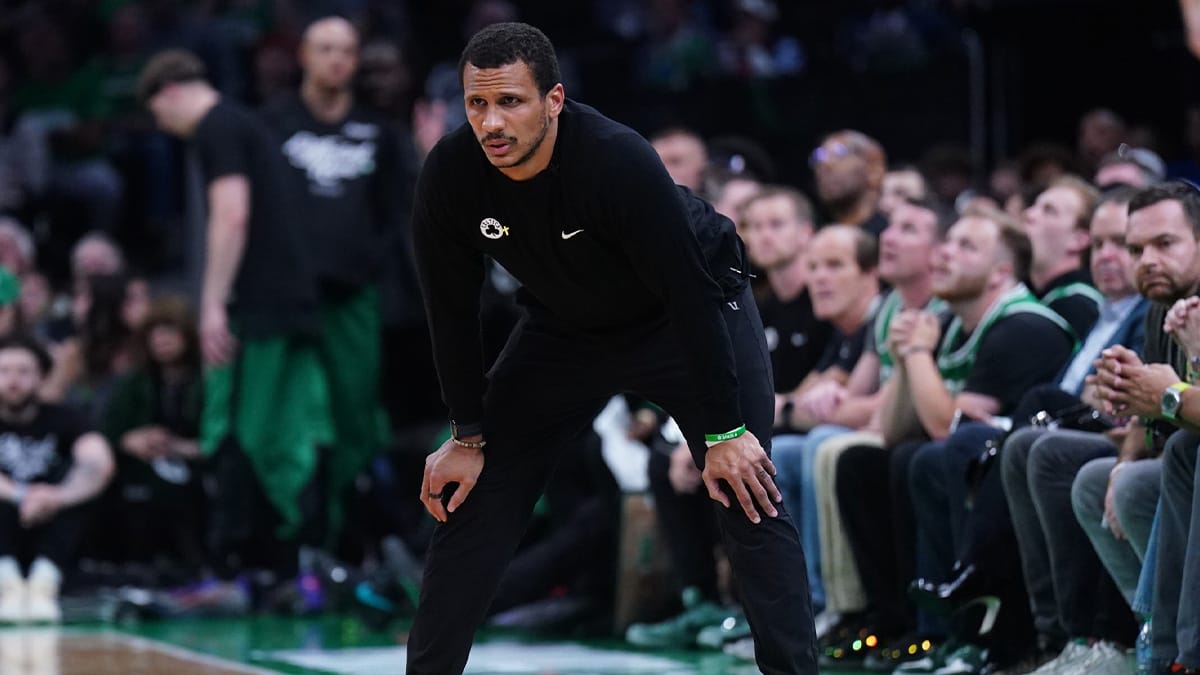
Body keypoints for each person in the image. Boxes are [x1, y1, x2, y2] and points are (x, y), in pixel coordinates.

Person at [409, 22, 816, 675]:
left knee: (746, 486)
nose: (491, 122)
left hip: (687, 313)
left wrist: (725, 430)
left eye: (510, 101)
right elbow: (449, 311)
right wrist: (467, 433)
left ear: (554, 100)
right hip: (566, 327)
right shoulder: (451, 173)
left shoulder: (615, 158)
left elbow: (689, 293)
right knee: (475, 495)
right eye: (476, 103)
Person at [137, 50, 329, 578]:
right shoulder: (249, 124)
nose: (163, 126)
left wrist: (213, 303)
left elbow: (231, 214)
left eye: (157, 114)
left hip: (257, 308)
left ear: (169, 92)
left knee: (234, 430)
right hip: (295, 304)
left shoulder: (216, 128)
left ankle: (231, 563)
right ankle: (306, 559)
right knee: (293, 434)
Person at [261, 16, 396, 549]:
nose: (336, 60)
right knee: (285, 421)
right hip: (285, 299)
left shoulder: (378, 130)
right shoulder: (271, 123)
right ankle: (287, 536)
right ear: (303, 56)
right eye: (325, 49)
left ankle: (343, 538)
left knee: (354, 418)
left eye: (346, 50)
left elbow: (394, 213)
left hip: (352, 298)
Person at [0, 334, 114, 622]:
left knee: (75, 481)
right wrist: (22, 495)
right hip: (6, 520)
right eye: (4, 370)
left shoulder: (65, 418)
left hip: (51, 529)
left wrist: (56, 497)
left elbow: (99, 463)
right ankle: (7, 586)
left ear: (41, 377)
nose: (13, 380)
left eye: (23, 371)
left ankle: (43, 584)